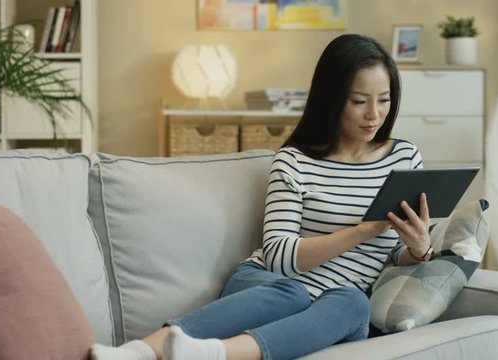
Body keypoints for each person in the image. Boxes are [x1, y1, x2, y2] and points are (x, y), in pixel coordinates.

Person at [91, 33, 434, 360]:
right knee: (294, 294)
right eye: (359, 101)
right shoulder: (294, 160)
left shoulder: (404, 158)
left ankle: (214, 354)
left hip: (332, 309)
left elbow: (392, 255)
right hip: (269, 288)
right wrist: (361, 231)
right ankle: (138, 352)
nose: (374, 114)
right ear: (332, 98)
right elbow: (278, 256)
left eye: (384, 99)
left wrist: (418, 251)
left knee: (356, 303)